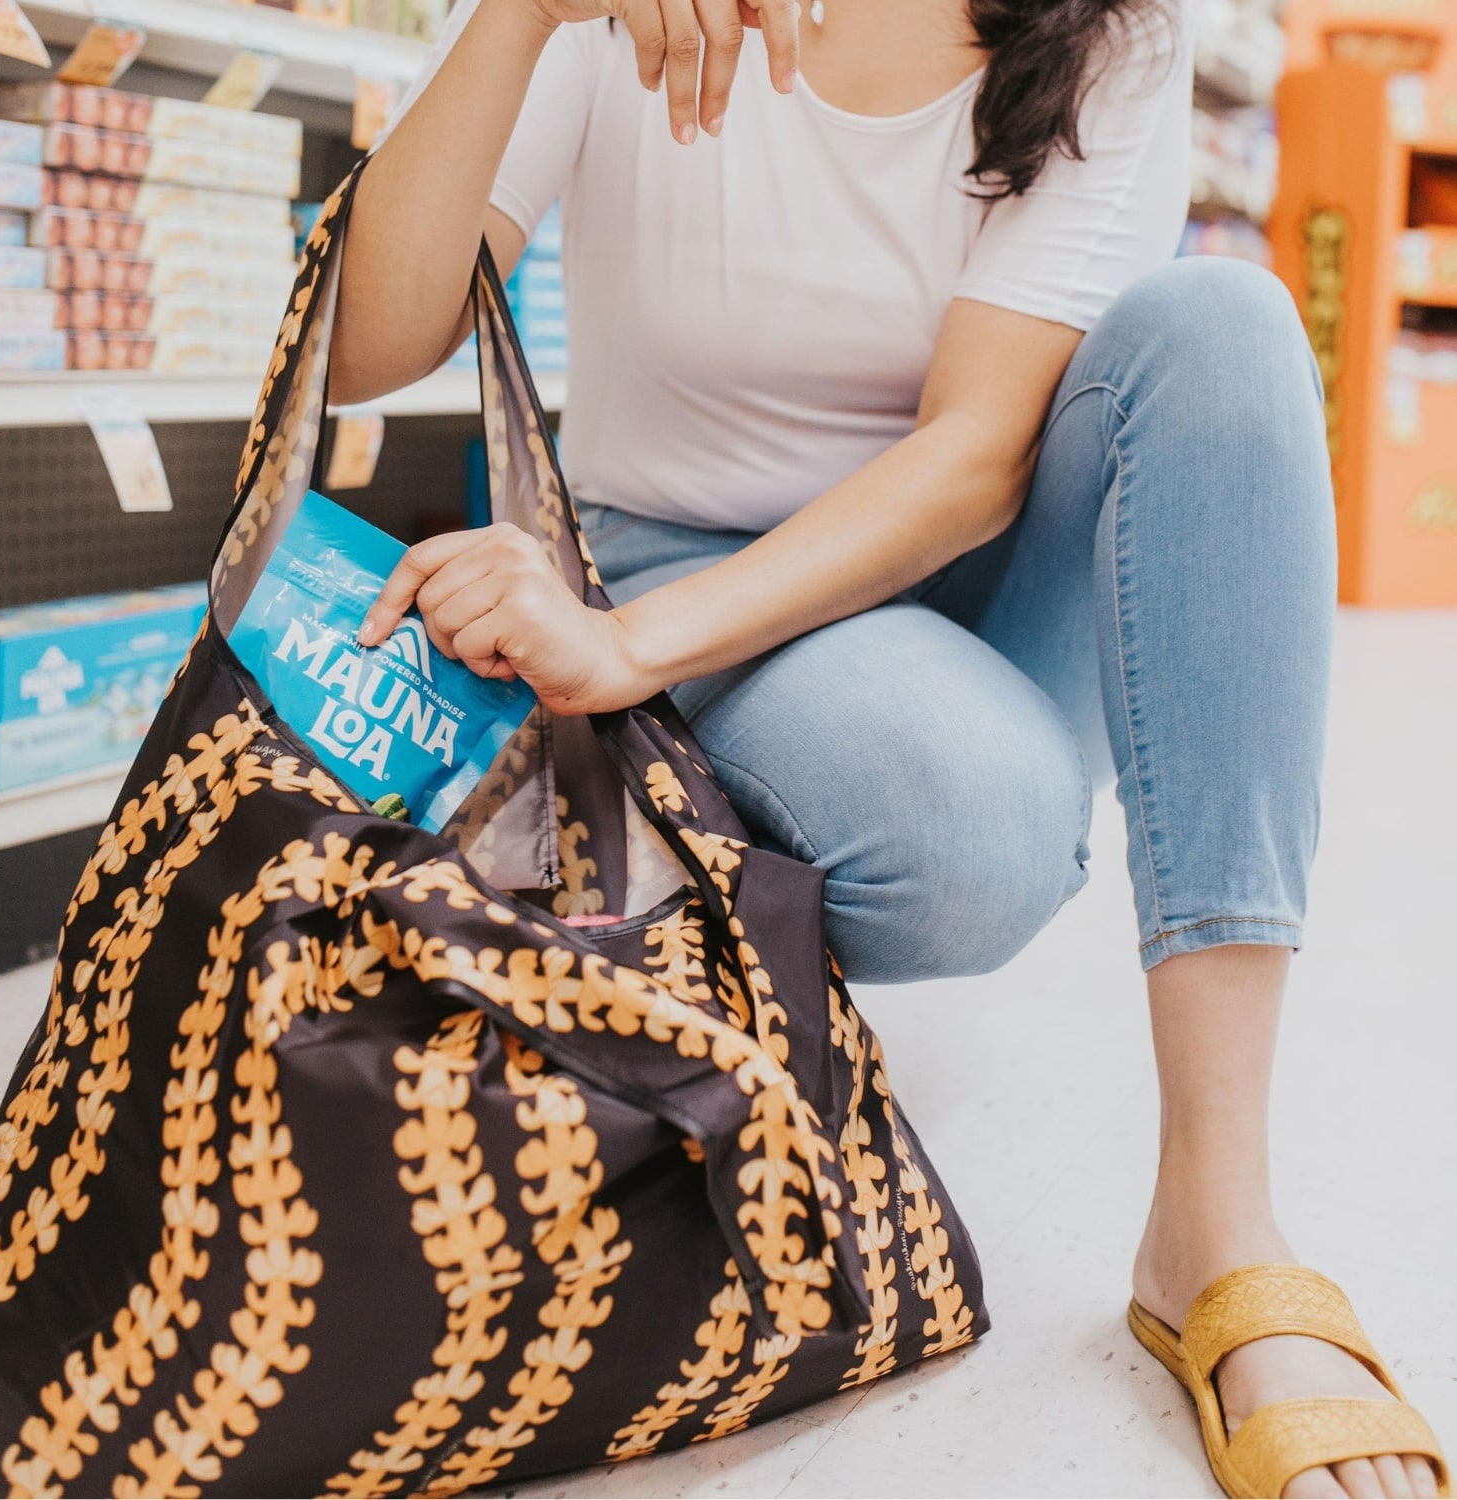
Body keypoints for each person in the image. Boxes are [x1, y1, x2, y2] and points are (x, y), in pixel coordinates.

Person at [329, 0, 1449, 1492]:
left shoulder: (1108, 30)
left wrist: (620, 659)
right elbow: (362, 346)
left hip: (972, 556)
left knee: (1225, 325)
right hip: (688, 562)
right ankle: (729, 929)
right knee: (969, 834)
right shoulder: (618, 14)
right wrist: (527, 11)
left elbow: (978, 450)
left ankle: (1218, 1219)